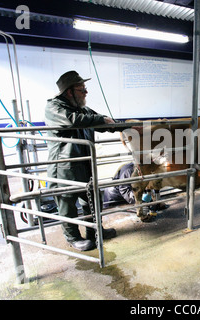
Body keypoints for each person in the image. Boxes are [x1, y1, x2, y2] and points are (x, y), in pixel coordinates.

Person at [45, 70, 119, 251]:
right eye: (82, 89)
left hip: (84, 163)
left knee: (92, 200)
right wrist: (100, 119)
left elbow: (103, 122)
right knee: (67, 203)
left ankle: (94, 232)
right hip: (64, 166)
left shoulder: (82, 109)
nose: (86, 92)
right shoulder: (55, 108)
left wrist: (126, 127)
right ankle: (73, 238)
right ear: (69, 92)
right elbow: (73, 121)